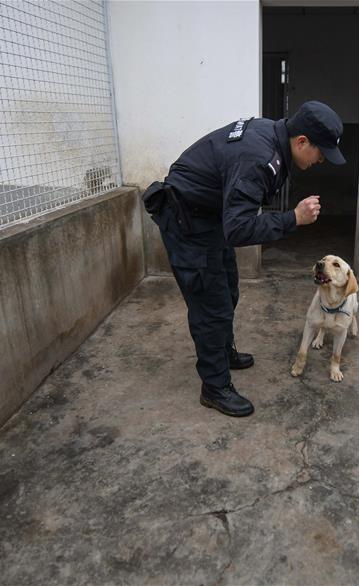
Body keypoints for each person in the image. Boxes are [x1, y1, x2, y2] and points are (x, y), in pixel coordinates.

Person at [142, 101, 346, 417]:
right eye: (321, 152)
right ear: (301, 141)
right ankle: (214, 386)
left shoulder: (274, 136)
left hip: (210, 216)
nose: (321, 160)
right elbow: (238, 229)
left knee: (229, 288)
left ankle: (222, 354)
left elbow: (233, 216)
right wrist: (293, 218)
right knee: (211, 306)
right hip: (187, 222)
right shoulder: (258, 157)